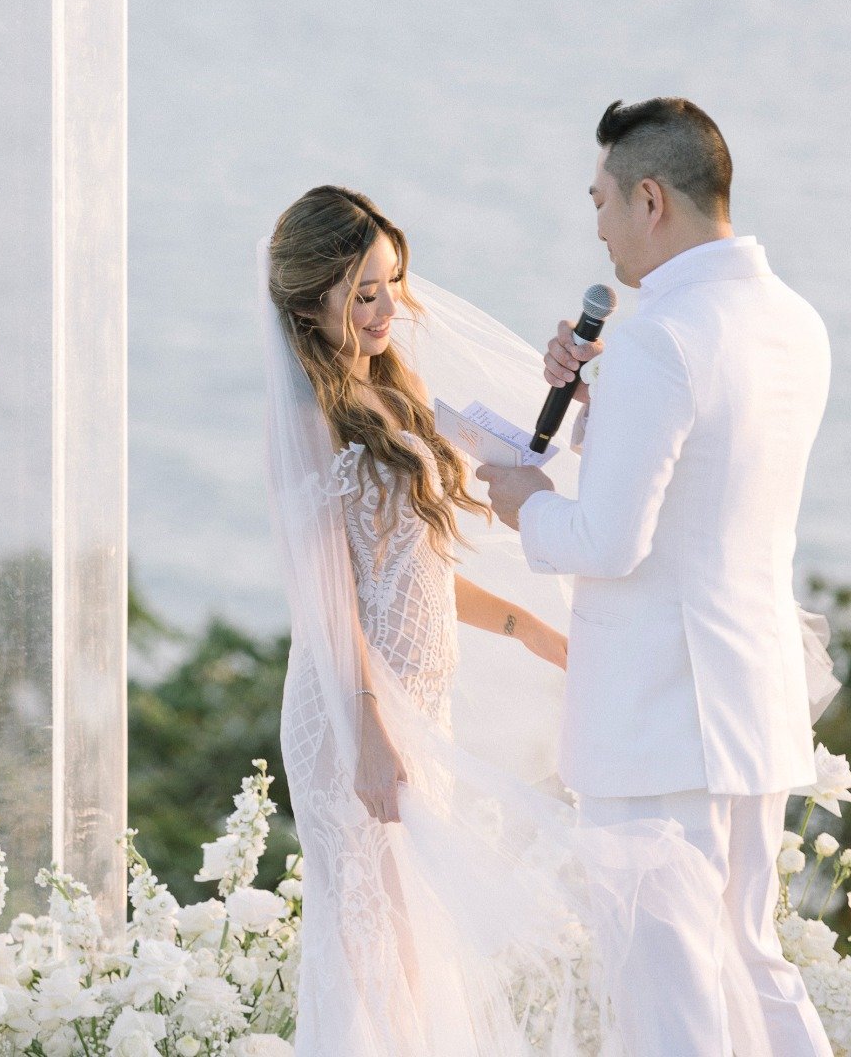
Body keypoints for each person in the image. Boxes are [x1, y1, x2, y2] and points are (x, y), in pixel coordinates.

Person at [261, 182, 788, 1057]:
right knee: (374, 943)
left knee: (418, 942)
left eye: (394, 281)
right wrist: (369, 730)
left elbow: (416, 577)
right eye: (363, 293)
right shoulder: (306, 420)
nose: (390, 307)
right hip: (354, 711)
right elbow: (331, 603)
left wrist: (543, 638)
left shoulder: (403, 396)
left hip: (419, 705)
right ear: (309, 299)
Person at [481, 97, 834, 1057]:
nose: (595, 228)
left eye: (599, 201)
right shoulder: (793, 321)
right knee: (751, 963)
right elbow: (709, 482)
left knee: (665, 988)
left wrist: (525, 502)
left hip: (654, 720)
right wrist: (603, 409)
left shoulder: (658, 339)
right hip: (748, 705)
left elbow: (607, 542)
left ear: (649, 199)